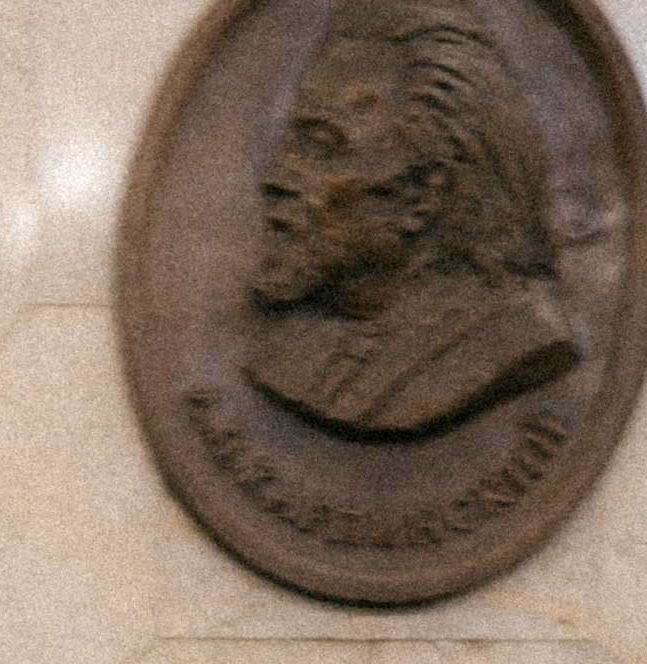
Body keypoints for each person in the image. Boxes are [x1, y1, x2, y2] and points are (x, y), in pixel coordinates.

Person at [245, 5, 578, 441]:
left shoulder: (511, 341)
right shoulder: (284, 352)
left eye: (322, 146)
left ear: (421, 196)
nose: (276, 178)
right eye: (292, 142)